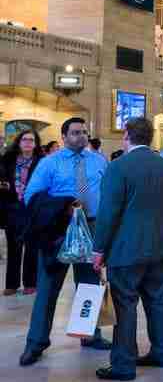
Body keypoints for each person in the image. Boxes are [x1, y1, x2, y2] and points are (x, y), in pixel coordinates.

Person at [92, 117, 163, 381]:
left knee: (125, 305)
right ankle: (162, 352)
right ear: (151, 137)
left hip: (126, 250)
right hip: (161, 248)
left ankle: (123, 364)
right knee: (158, 300)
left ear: (127, 135)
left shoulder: (118, 167)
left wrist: (98, 250)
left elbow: (108, 212)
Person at [20, 117, 111, 367]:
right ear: (63, 136)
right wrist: (63, 207)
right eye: (75, 132)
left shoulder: (99, 161)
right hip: (59, 231)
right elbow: (31, 197)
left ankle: (90, 334)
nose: (81, 136)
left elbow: (109, 193)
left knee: (90, 285)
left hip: (92, 227)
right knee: (48, 288)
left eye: (84, 132)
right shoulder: (50, 163)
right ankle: (36, 342)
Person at [1, 130, 44, 296]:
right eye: (24, 139)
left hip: (32, 208)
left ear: (36, 143)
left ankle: (30, 283)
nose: (27, 143)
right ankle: (11, 284)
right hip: (12, 206)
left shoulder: (41, 161)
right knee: (14, 246)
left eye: (31, 140)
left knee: (32, 247)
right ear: (19, 142)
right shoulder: (8, 159)